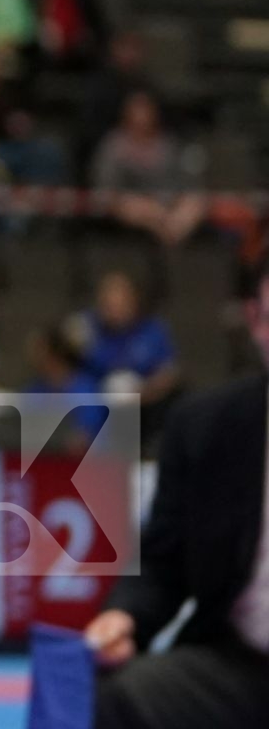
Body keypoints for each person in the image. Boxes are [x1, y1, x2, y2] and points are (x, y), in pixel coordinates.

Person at [83, 267, 269, 728]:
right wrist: (125, 617)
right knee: (124, 695)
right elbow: (163, 565)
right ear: (256, 321)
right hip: (242, 666)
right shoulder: (209, 427)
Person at [91, 90, 205, 248]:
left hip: (169, 206)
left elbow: (185, 181)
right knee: (134, 206)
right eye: (137, 110)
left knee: (195, 201)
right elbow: (106, 189)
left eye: (146, 110)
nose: (142, 116)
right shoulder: (115, 145)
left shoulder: (167, 143)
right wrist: (148, 205)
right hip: (131, 203)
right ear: (126, 114)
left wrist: (177, 208)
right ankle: (165, 234)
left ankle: (171, 234)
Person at [63, 271, 180, 424]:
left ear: (134, 302)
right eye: (108, 305)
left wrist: (144, 392)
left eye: (120, 304)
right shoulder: (85, 327)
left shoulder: (153, 331)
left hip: (143, 401)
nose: (114, 311)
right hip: (96, 395)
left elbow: (169, 373)